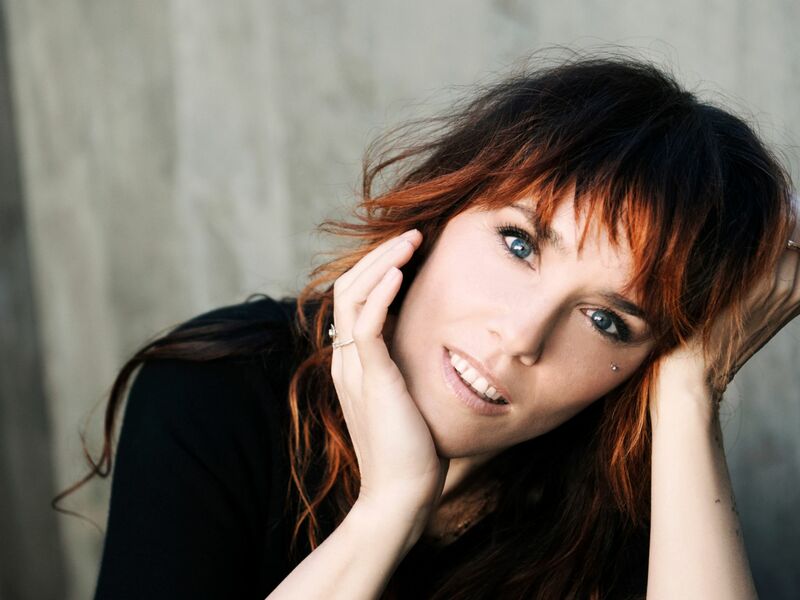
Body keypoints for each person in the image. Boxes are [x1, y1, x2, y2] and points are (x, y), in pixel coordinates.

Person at [61, 53, 800, 599]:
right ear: (441, 211)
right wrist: (390, 509)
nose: (521, 338)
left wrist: (692, 389)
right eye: (520, 244)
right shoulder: (217, 393)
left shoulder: (624, 512)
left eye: (606, 319)